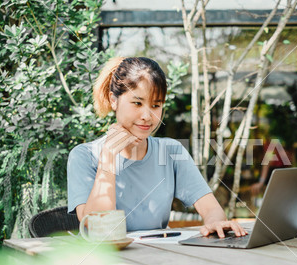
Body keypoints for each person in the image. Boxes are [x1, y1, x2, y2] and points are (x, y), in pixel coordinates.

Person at [67, 57, 246, 238]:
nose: (147, 115)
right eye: (137, 103)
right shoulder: (84, 156)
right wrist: (109, 157)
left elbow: (212, 209)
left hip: (160, 257)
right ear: (114, 100)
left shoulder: (171, 151)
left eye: (156, 105)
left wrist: (215, 222)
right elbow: (99, 229)